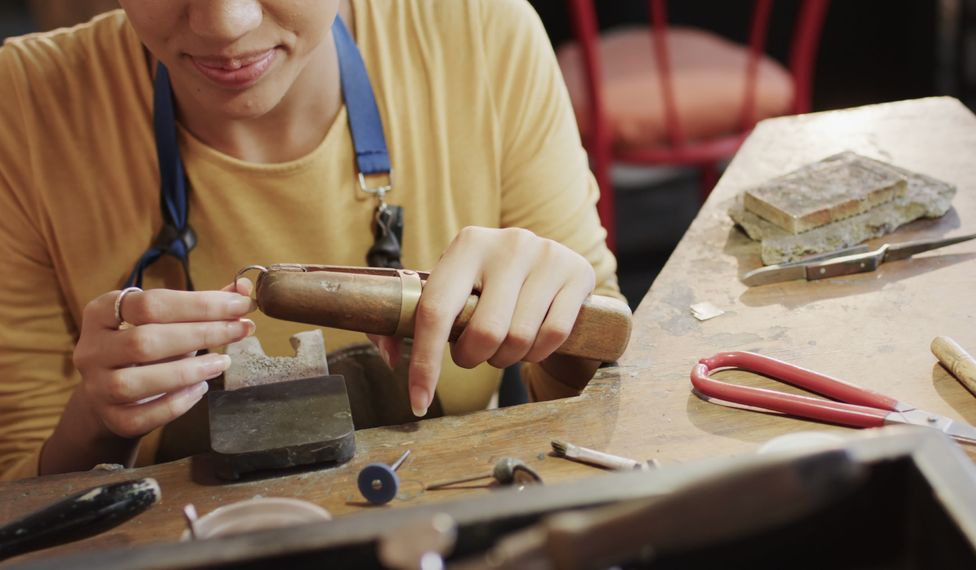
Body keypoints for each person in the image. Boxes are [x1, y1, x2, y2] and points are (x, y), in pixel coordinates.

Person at [0, 0, 620, 481]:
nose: (225, 24)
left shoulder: (480, 32)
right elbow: (22, 496)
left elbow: (613, 408)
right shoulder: (24, 106)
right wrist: (99, 421)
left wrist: (562, 322)